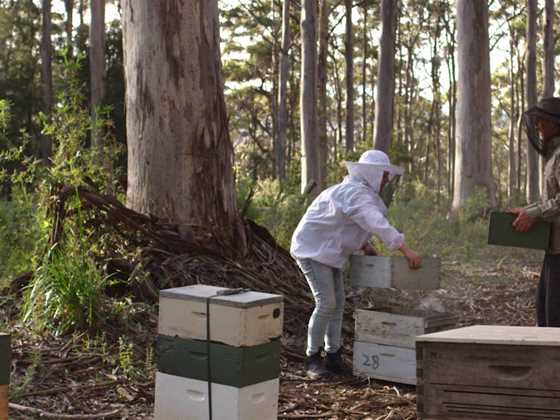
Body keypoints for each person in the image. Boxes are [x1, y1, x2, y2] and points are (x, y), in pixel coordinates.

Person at [290, 150, 422, 379]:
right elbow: (375, 222)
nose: (386, 181)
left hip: (328, 252)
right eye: (383, 176)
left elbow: (349, 224)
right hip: (311, 250)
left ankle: (333, 356)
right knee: (326, 302)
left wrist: (366, 246)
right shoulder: (354, 192)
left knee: (338, 303)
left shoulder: (356, 192)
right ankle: (312, 358)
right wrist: (405, 249)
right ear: (372, 173)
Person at [511, 96, 560, 327]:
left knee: (554, 322)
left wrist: (536, 213)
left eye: (542, 121)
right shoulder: (554, 155)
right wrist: (529, 210)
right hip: (553, 249)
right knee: (546, 315)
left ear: (555, 124)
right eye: (537, 121)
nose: (538, 126)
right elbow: (551, 200)